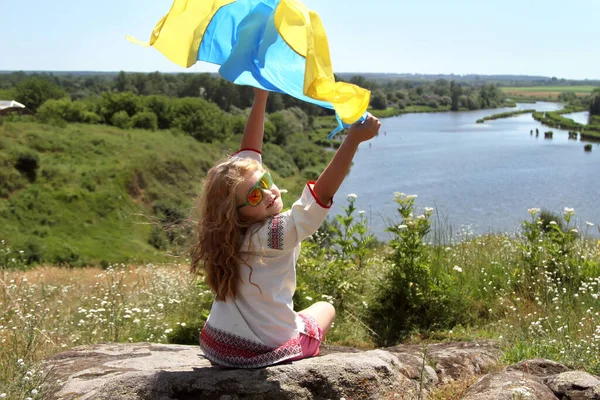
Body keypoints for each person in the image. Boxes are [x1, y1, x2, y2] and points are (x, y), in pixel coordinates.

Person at [193, 88, 380, 368]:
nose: (269, 194)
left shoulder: (225, 232)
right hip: (263, 349)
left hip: (219, 343)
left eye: (266, 182)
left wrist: (260, 97)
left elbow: (249, 157)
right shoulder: (271, 235)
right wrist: (352, 140)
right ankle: (297, 346)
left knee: (303, 312)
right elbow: (319, 198)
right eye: (256, 196)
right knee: (325, 308)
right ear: (239, 211)